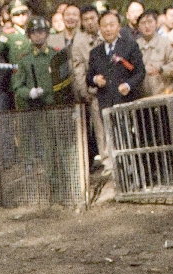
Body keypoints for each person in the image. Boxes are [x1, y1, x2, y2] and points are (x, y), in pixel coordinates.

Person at [71, 4, 108, 170]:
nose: (90, 22)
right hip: (95, 92)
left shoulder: (108, 32)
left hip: (114, 88)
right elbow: (78, 70)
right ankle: (107, 161)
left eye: (92, 18)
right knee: (101, 130)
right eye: (86, 19)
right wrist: (84, 91)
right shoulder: (79, 42)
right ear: (82, 22)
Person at [87, 10, 145, 109]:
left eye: (112, 25)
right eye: (104, 26)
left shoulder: (130, 46)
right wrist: (95, 79)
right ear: (100, 28)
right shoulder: (95, 52)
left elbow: (140, 72)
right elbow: (89, 77)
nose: (108, 29)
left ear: (119, 27)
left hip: (127, 101)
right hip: (105, 104)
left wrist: (128, 85)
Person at [13, 17, 57, 109]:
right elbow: (18, 87)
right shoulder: (25, 59)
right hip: (34, 108)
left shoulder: (55, 55)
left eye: (41, 31)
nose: (37, 35)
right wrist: (29, 93)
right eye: (33, 32)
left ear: (47, 33)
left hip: (56, 105)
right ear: (29, 36)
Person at [137, 9, 173, 94]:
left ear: (156, 24)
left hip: (164, 94)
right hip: (143, 98)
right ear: (138, 27)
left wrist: (161, 69)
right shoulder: (135, 46)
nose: (147, 26)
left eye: (150, 22)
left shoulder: (166, 43)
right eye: (143, 23)